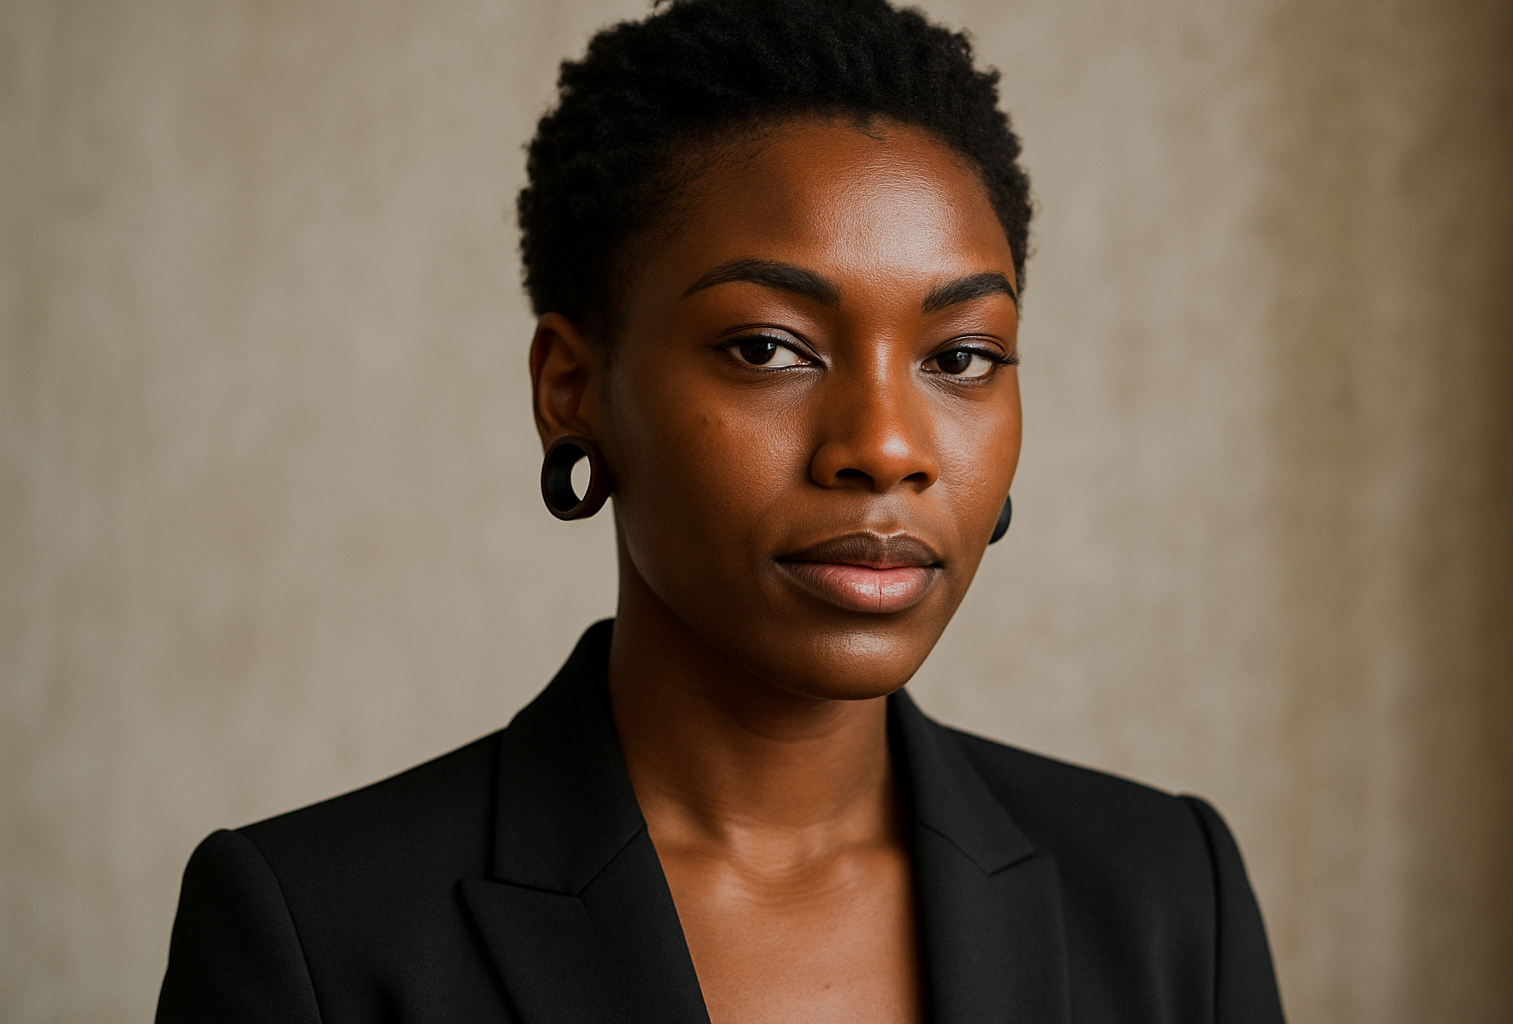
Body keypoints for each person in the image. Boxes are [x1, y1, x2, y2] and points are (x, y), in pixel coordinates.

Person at [156, 1, 1286, 1021]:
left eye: (962, 355)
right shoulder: (313, 936)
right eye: (768, 347)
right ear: (572, 390)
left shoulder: (1169, 895)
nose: (886, 445)